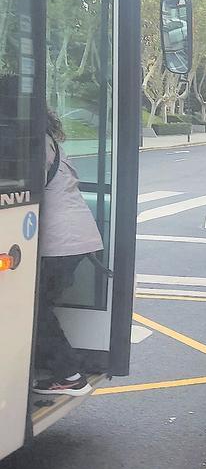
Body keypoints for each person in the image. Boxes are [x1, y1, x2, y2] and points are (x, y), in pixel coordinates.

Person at [32, 110, 105, 396]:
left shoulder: (31, 143)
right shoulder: (48, 140)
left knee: (34, 309)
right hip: (75, 238)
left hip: (61, 240)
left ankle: (69, 373)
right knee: (38, 306)